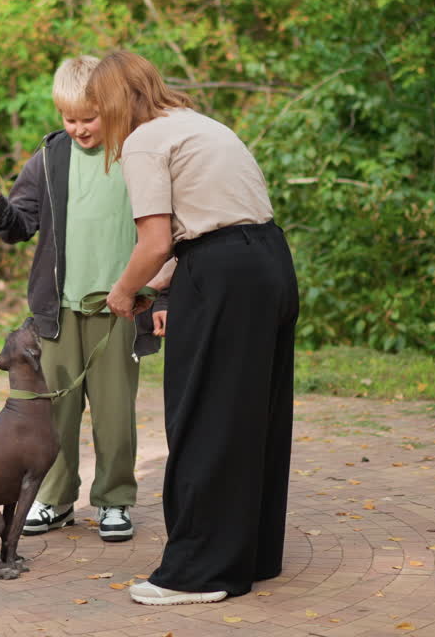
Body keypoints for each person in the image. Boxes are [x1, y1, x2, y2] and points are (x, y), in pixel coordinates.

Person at [89, 50, 299, 605]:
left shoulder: (142, 141)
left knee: (203, 416)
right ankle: (251, 555)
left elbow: (156, 242)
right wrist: (160, 288)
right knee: (256, 413)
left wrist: (124, 291)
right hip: (270, 261)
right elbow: (210, 231)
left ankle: (199, 573)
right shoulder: (199, 124)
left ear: (111, 103)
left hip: (225, 275)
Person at [0, 55, 167, 544]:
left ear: (113, 107)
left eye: (89, 118)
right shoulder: (49, 156)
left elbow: (170, 234)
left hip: (124, 307)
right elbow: (20, 225)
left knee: (114, 411)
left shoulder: (137, 150)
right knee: (54, 411)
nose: (78, 128)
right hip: (57, 311)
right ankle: (55, 501)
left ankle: (115, 502)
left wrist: (165, 301)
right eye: (69, 118)